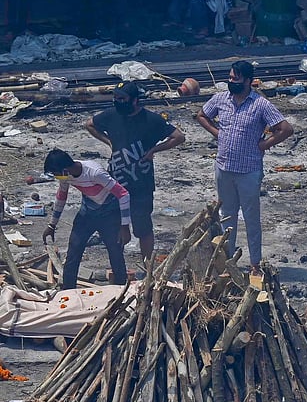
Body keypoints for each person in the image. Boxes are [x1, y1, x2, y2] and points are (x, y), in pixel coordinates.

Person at [196, 60, 294, 275]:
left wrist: (265, 144)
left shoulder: (260, 104)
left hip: (249, 170)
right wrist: (216, 132)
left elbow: (285, 129)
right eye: (230, 78)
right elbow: (202, 115)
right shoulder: (221, 99)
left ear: (249, 81)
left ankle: (255, 264)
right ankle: (228, 261)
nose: (232, 82)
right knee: (227, 216)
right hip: (224, 167)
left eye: (236, 79)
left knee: (251, 217)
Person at [85, 82, 185, 270]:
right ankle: (119, 269)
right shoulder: (112, 115)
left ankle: (148, 269)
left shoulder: (151, 119)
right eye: (116, 98)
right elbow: (90, 124)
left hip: (141, 184)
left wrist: (155, 149)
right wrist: (109, 142)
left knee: (143, 229)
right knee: (115, 227)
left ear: (134, 100)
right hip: (116, 181)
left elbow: (179, 137)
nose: (118, 102)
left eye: (122, 99)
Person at [41, 149, 131, 291]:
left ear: (65, 169)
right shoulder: (65, 176)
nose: (57, 177)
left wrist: (124, 226)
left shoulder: (94, 173)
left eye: (56, 173)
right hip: (87, 214)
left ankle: (121, 292)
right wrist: (52, 225)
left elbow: (123, 194)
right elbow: (61, 197)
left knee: (115, 253)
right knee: (73, 251)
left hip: (110, 214)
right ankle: (68, 292)